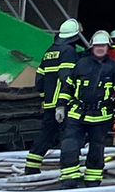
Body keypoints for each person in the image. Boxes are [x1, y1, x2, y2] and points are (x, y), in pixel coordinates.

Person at [56, 30, 115, 185]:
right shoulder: (81, 64)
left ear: (108, 47)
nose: (100, 48)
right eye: (97, 45)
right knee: (69, 145)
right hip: (77, 114)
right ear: (92, 47)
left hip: (101, 116)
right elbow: (67, 87)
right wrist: (60, 106)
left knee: (97, 149)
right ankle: (69, 178)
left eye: (103, 45)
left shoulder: (114, 68)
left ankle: (92, 180)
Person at [27, 18, 86, 173]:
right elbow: (67, 78)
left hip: (49, 103)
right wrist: (67, 100)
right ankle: (69, 170)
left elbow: (39, 79)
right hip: (63, 103)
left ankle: (31, 167)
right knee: (69, 137)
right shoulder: (69, 52)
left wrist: (45, 97)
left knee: (46, 135)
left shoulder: (49, 52)